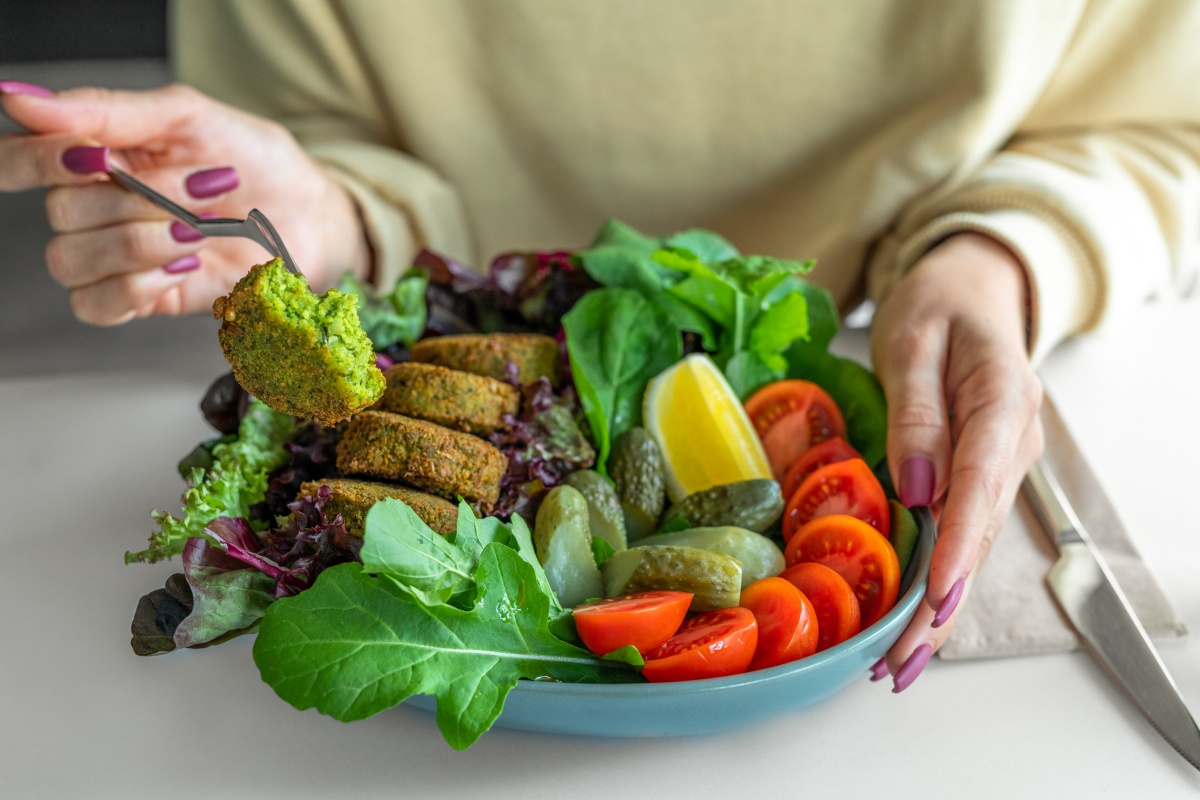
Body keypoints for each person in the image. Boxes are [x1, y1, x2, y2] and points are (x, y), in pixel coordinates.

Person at [1, 0, 1196, 692]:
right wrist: (336, 214)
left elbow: (1159, 117)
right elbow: (323, 128)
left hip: (909, 373)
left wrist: (999, 256)